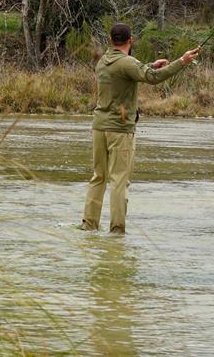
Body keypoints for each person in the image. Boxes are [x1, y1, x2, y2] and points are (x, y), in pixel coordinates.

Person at [81, 23, 200, 234]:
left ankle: (89, 225)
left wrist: (150, 65)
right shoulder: (127, 62)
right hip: (119, 129)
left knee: (98, 177)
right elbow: (151, 79)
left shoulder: (104, 61)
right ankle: (117, 231)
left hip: (99, 127)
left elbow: (130, 72)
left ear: (111, 40)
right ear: (130, 40)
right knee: (119, 181)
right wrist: (182, 61)